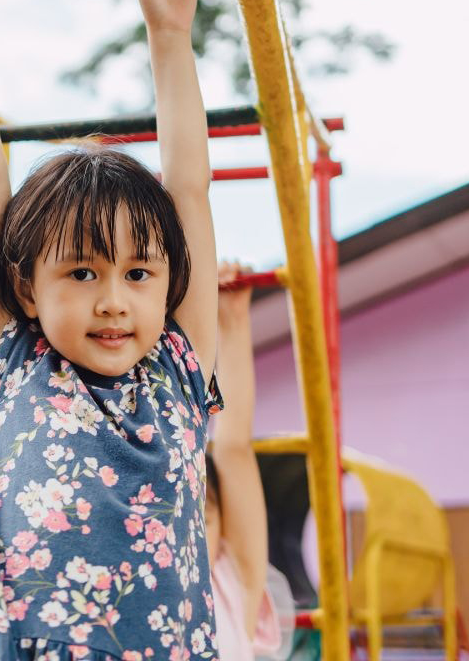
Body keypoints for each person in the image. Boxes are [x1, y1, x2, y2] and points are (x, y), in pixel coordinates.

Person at [0, 0, 221, 660]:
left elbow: (188, 187)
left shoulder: (178, 367)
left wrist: (171, 34)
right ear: (28, 288)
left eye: (138, 274)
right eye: (82, 274)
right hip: (14, 644)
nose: (114, 301)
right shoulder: (16, 357)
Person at [206, 263, 283, 661]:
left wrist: (231, 321)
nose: (186, 537)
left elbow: (233, 448)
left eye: (201, 520)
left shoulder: (229, 584)